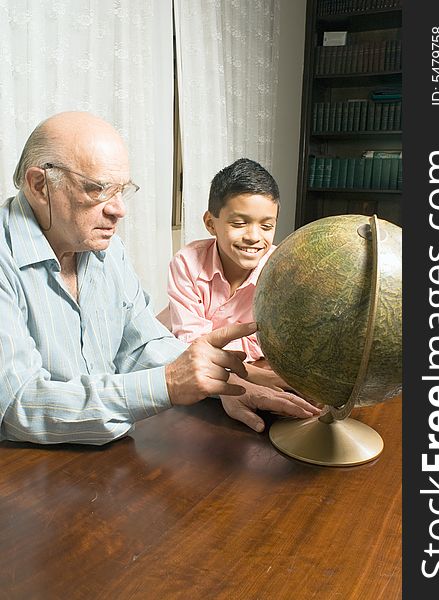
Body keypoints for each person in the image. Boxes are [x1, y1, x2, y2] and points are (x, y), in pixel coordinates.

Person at [0, 112, 318, 445]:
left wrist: (223, 387)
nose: (119, 210)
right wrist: (166, 384)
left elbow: (141, 345)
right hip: (25, 468)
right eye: (98, 190)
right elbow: (17, 407)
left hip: (111, 459)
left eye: (122, 190)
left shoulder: (107, 250)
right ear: (39, 185)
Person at [166, 158, 296, 394]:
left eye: (267, 226)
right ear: (210, 223)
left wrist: (214, 341)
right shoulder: (187, 263)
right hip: (199, 378)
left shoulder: (283, 270)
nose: (254, 236)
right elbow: (191, 345)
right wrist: (252, 372)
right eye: (239, 223)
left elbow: (274, 345)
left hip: (243, 376)